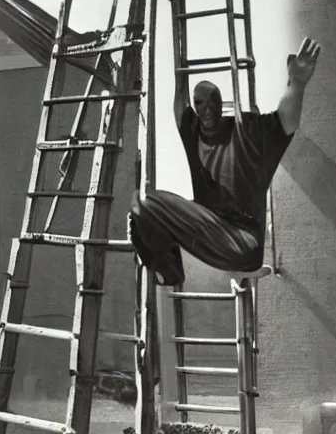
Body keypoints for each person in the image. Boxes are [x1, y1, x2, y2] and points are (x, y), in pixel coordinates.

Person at [129, 37, 321, 285]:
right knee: (141, 211)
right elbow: (180, 103)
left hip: (242, 243)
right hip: (212, 233)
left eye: (213, 101)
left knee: (145, 204)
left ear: (222, 104)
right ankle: (170, 272)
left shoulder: (246, 131)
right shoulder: (194, 132)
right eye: (201, 103)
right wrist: (179, 60)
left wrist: (297, 84)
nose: (207, 109)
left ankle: (190, 271)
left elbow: (286, 122)